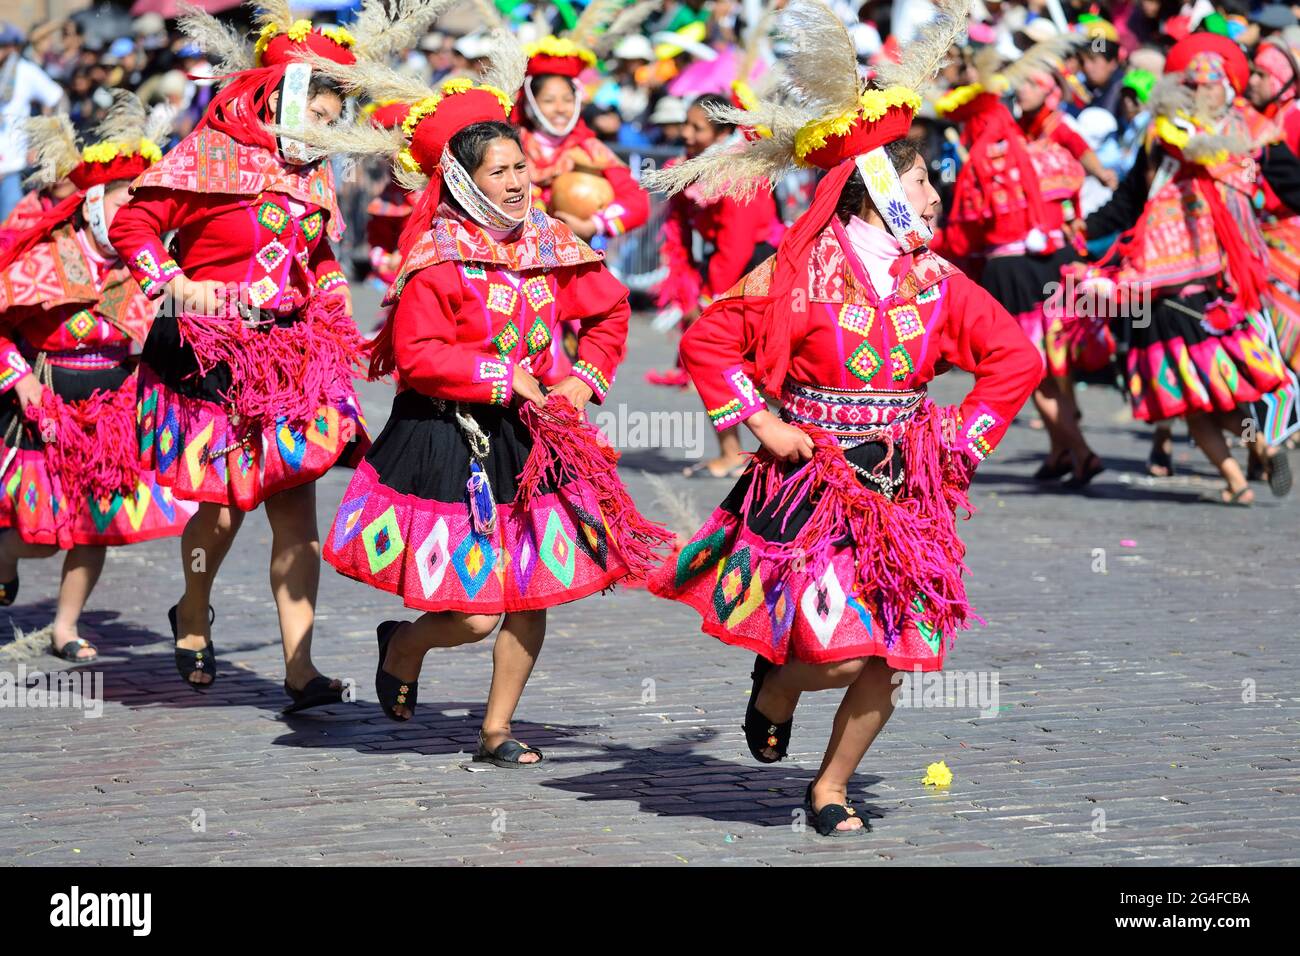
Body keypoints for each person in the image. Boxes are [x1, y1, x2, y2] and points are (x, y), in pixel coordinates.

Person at [646, 0, 1040, 836]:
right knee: (836, 653)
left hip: (905, 492)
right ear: (878, 189)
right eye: (924, 180)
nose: (938, 194)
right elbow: (708, 344)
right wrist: (763, 424)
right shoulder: (790, 273)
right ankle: (778, 684)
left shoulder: (936, 279)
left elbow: (1016, 360)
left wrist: (958, 444)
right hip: (814, 480)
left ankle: (830, 786)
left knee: (890, 657)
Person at [296, 41, 671, 765]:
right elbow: (418, 356)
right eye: (499, 172)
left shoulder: (548, 242)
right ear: (464, 183)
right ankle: (404, 642)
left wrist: (580, 380)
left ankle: (497, 728)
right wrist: (503, 378)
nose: (518, 182)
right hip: (448, 437)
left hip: (534, 439)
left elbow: (610, 310)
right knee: (471, 613)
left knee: (533, 593)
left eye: (521, 167)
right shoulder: (436, 258)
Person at [107, 1, 444, 706]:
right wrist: (174, 283)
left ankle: (301, 665)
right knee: (224, 511)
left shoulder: (312, 170)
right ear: (288, 97)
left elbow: (314, 249)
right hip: (212, 353)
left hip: (290, 355)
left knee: (296, 511)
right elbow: (136, 220)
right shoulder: (210, 152)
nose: (328, 125)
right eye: (321, 111)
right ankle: (193, 612)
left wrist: (329, 296)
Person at [0, 92, 191, 661]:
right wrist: (18, 378)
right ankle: (6, 557)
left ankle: (65, 625)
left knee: (94, 527)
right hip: (46, 405)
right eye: (127, 201)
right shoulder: (42, 259)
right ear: (96, 204)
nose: (138, 215)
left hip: (114, 411)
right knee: (39, 533)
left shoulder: (148, 268)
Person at [1083, 34, 1296, 505]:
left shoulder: (1252, 134)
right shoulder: (1164, 137)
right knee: (1217, 388)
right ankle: (1259, 448)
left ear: (1227, 87)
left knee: (1201, 392)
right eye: (1194, 83)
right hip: (1188, 281)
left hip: (1220, 278)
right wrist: (1088, 228)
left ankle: (1243, 472)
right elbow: (1129, 199)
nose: (1202, 91)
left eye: (1210, 83)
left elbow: (1291, 184)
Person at [937, 41, 1108, 487]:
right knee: (1051, 366)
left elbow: (970, 231)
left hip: (1009, 271)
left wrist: (939, 252)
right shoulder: (1028, 147)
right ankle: (1061, 451)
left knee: (1029, 369)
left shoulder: (982, 160)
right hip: (1049, 263)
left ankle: (1083, 452)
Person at [646, 92, 785, 480]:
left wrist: (711, 298)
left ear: (723, 130)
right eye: (687, 125)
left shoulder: (740, 170)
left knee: (745, 368)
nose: (686, 133)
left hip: (752, 274)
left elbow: (736, 243)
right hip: (726, 272)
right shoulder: (702, 165)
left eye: (697, 127)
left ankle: (779, 445)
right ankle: (733, 452)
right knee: (726, 367)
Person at [0, 23, 65, 222]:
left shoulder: (25, 71)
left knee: (9, 231)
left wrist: (41, 141)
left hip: (12, 167)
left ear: (11, 47)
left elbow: (57, 99)